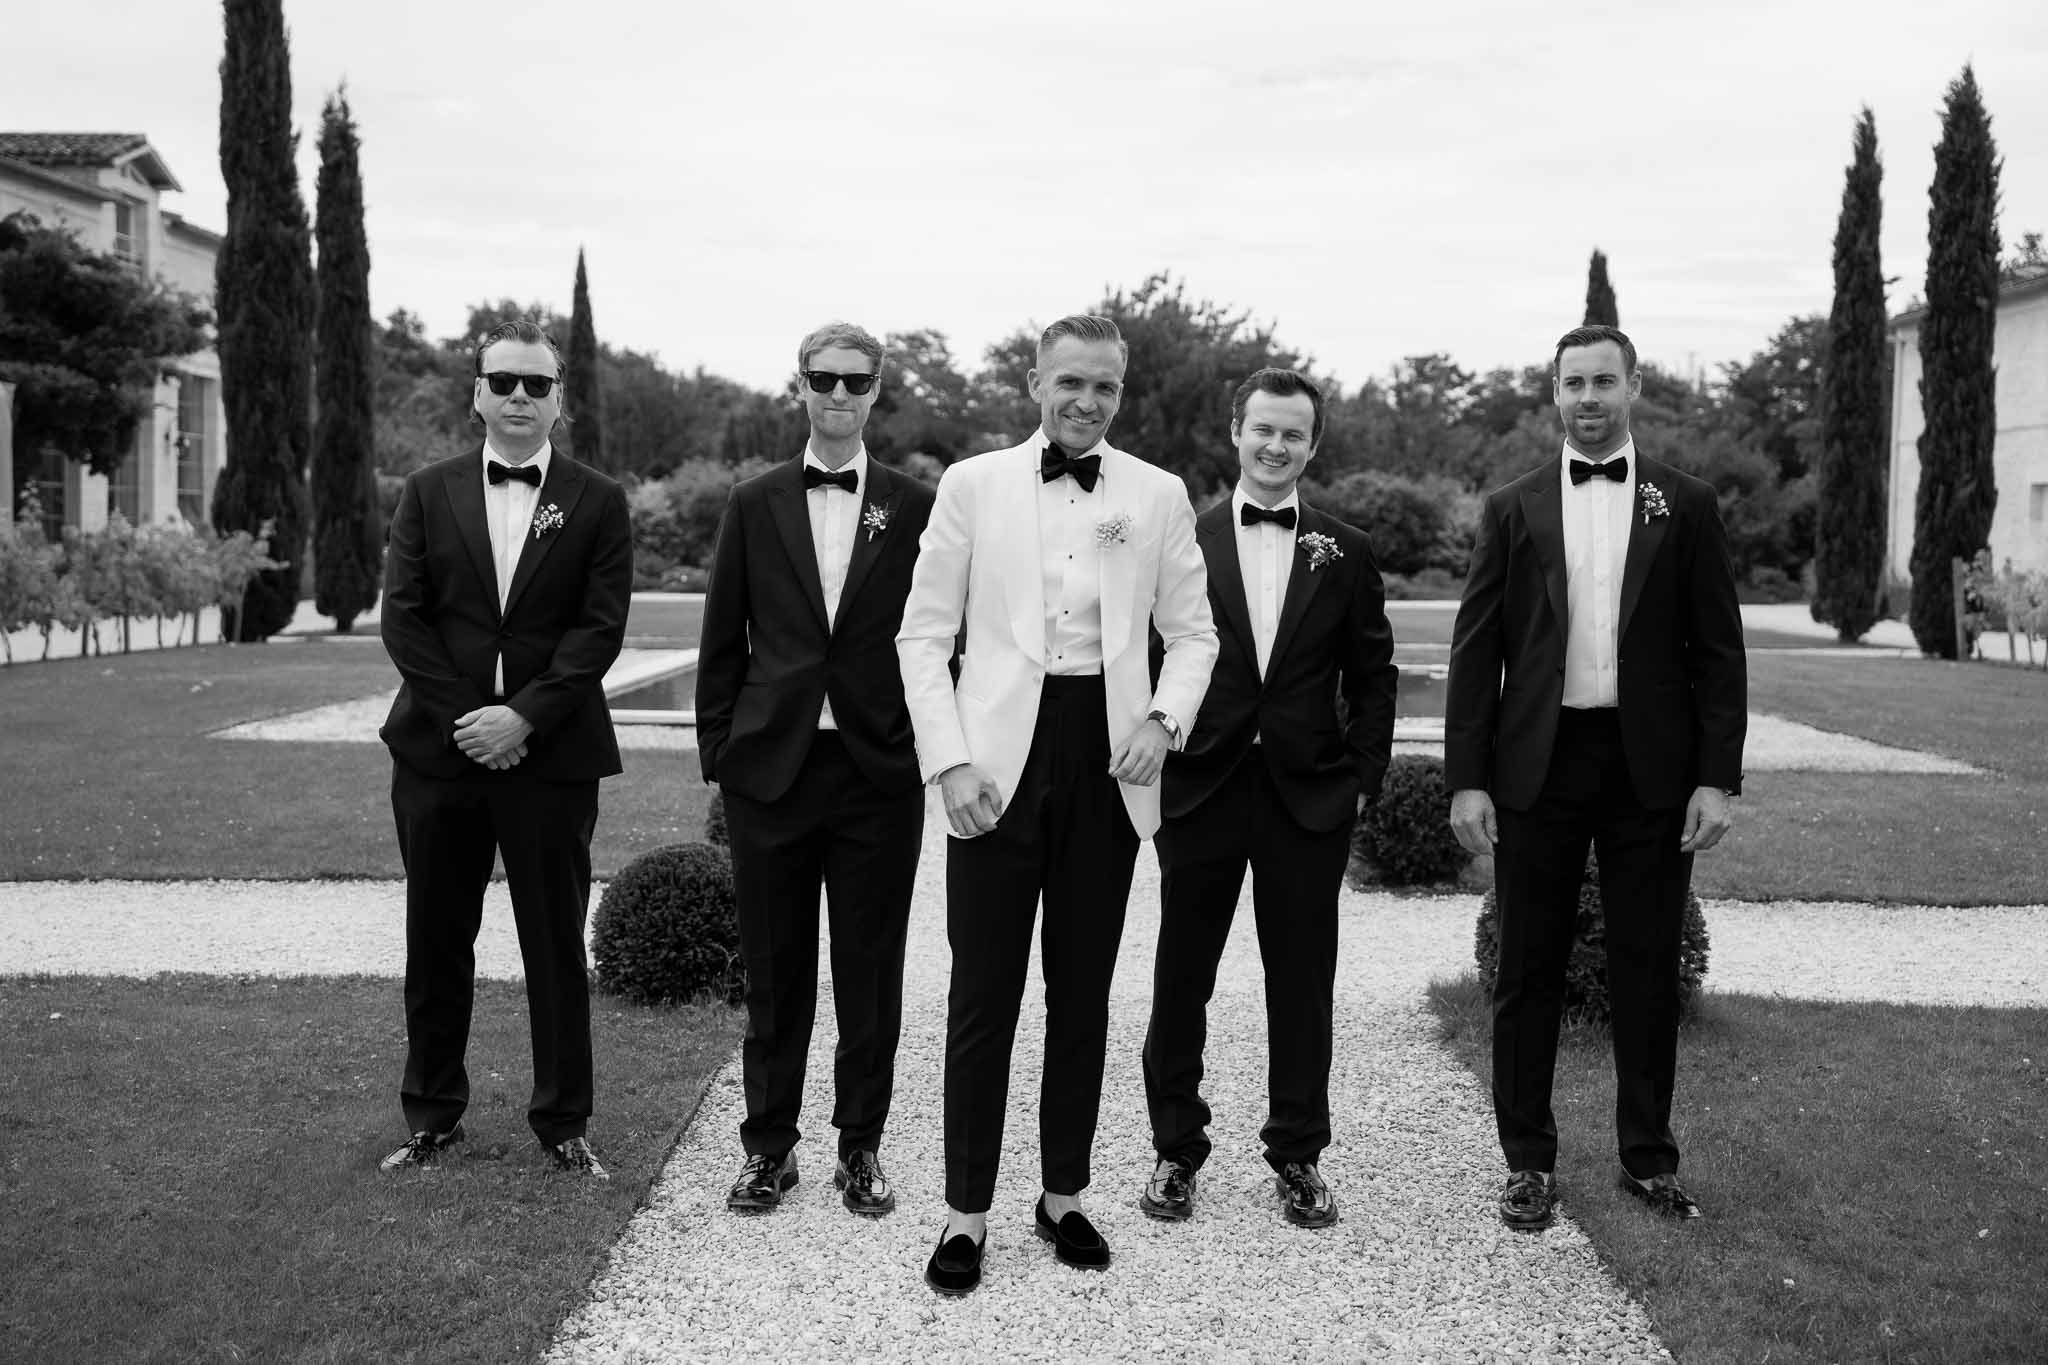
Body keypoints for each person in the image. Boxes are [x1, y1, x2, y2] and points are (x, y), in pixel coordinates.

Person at [896, 314, 1217, 1295]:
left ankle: (1064, 1194)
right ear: (1034, 380)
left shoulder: (1156, 495)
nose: (1084, 402)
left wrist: (1162, 721)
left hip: (1106, 765)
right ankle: (964, 1211)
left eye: (1103, 388)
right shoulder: (971, 484)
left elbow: (1193, 634)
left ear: (1121, 394)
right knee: (981, 997)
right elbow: (921, 637)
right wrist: (948, 765)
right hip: (993, 765)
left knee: (1079, 994)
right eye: (1067, 382)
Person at [1444, 324, 1746, 1230]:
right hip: (1538, 763)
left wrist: (1716, 778)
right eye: (1572, 382)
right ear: (1554, 393)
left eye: (1603, 381)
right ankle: (1528, 1163)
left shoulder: (1684, 504)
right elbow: (1476, 649)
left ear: (1634, 387)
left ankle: (1648, 1159)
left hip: (1652, 769)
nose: (1588, 397)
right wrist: (1467, 778)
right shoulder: (1513, 504)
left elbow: (1717, 651)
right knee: (1526, 968)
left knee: (1646, 965)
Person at [1138, 368, 1398, 1231]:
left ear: (1313, 444)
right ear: (1236, 433)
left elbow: (1373, 675)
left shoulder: (1347, 550)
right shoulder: (1182, 536)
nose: (1276, 446)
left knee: (1301, 982)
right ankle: (1176, 1149)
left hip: (1307, 798)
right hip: (1203, 786)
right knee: (1183, 976)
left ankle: (1298, 1152)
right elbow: (1149, 653)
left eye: (1294, 433)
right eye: (1263, 430)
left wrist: (1361, 777)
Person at [378, 318, 634, 1179]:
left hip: (551, 757)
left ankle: (564, 1123)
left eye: (537, 384)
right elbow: (404, 619)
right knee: (436, 936)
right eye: (505, 381)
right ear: (476, 391)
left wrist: (521, 717)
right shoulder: (426, 489)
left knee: (554, 943)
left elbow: (598, 631)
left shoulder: (598, 500)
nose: (520, 396)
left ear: (561, 399)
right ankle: (432, 1116)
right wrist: (472, 721)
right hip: (438, 754)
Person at [695, 322, 935, 1218]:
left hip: (877, 770)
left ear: (878, 391)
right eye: (823, 379)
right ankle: (768, 1148)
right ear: (799, 385)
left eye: (856, 381)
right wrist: (721, 751)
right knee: (774, 969)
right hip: (773, 772)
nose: (839, 395)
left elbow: (938, 635)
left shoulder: (916, 505)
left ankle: (861, 1146)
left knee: (870, 971)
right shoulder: (753, 501)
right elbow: (723, 637)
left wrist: (924, 744)